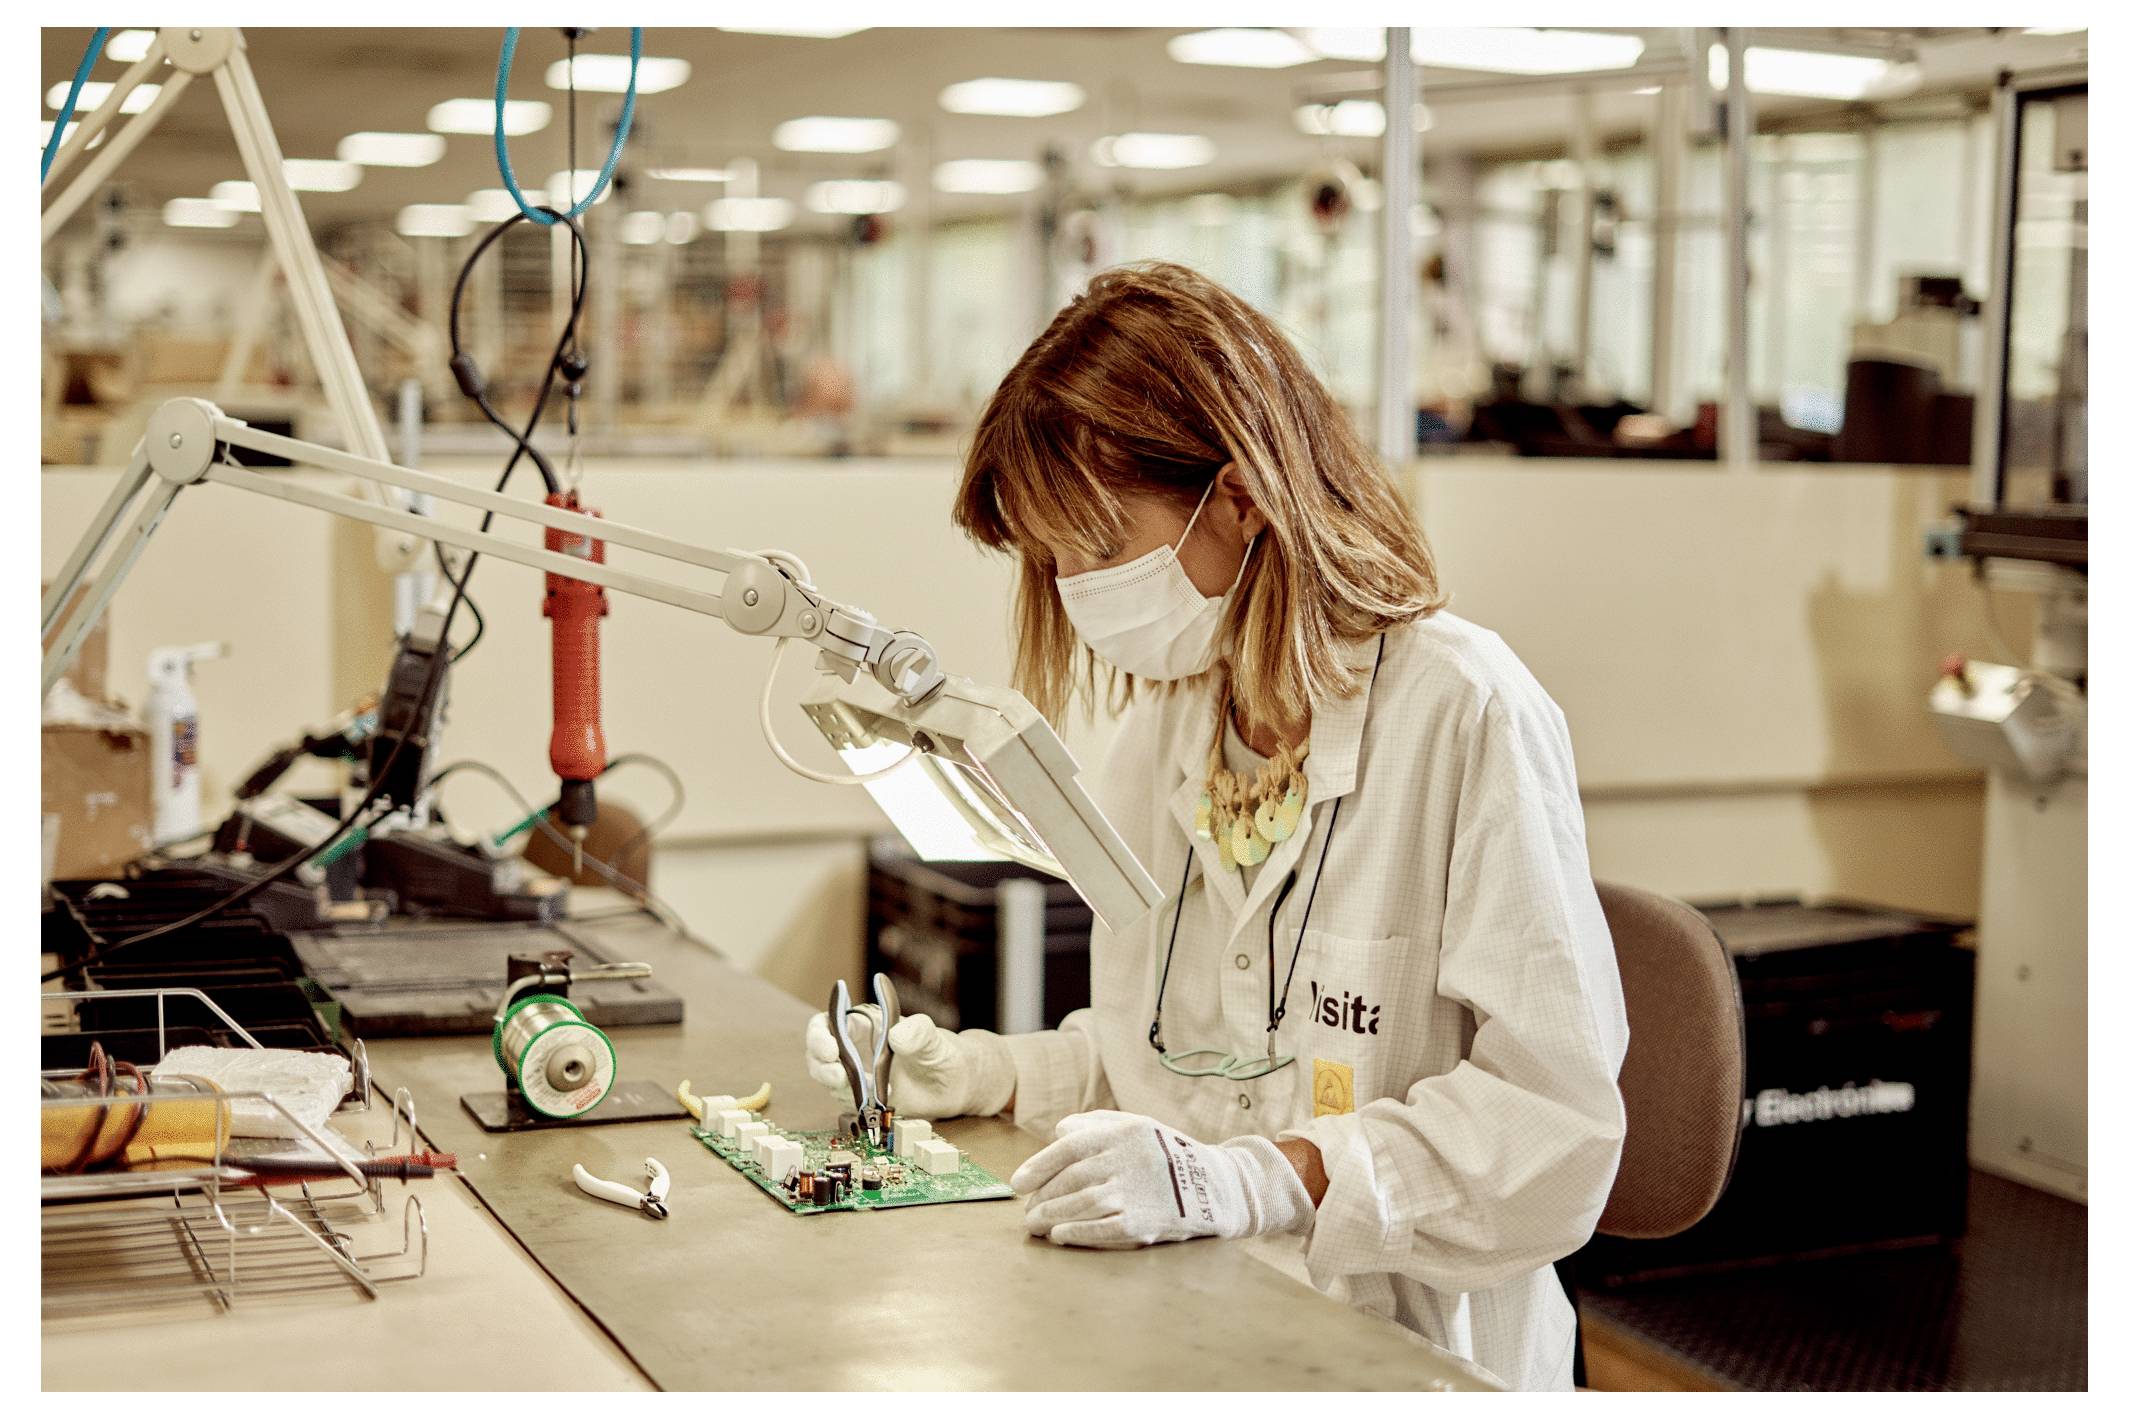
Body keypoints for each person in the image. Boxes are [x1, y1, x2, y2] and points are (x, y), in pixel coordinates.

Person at [805, 261, 1627, 1391]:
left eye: (1097, 548)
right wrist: (996, 1076)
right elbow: (1175, 1066)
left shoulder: (1463, 712)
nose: (1078, 593)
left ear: (1239, 499)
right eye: (1053, 562)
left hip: (1411, 1345)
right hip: (1192, 1313)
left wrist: (1264, 1179)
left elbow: (1553, 1130)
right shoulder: (1165, 731)